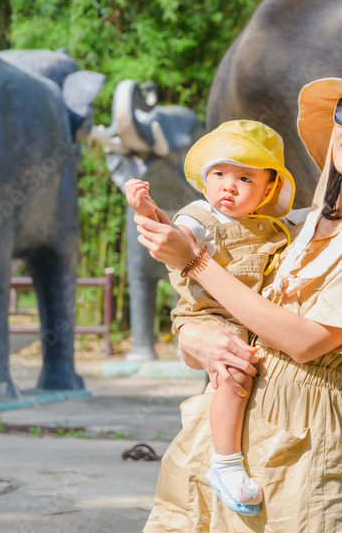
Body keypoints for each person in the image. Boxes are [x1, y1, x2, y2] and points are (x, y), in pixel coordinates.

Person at [138, 68, 342, 533]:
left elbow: (305, 341)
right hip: (216, 434)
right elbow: (213, 313)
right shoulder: (286, 226)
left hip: (300, 444)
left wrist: (196, 261)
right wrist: (193, 338)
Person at [125, 119, 297, 515]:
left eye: (244, 178)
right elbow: (176, 238)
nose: (229, 186)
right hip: (209, 314)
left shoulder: (270, 226)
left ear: (269, 187)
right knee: (233, 373)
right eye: (219, 174)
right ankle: (226, 463)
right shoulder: (201, 216)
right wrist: (146, 209)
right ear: (205, 180)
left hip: (252, 318)